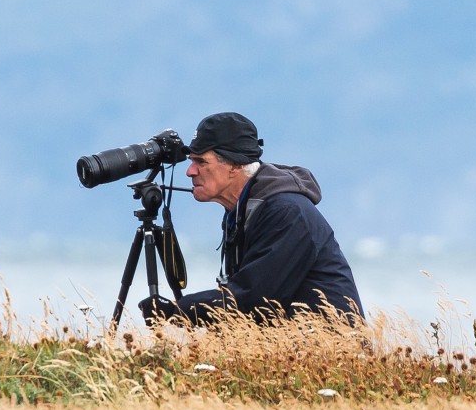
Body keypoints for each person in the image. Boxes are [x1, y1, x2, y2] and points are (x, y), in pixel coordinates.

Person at [138, 112, 362, 326]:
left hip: (332, 355)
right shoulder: (244, 209)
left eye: (201, 162)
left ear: (235, 165)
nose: (190, 171)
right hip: (293, 348)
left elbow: (255, 300)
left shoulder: (286, 212)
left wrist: (178, 311)